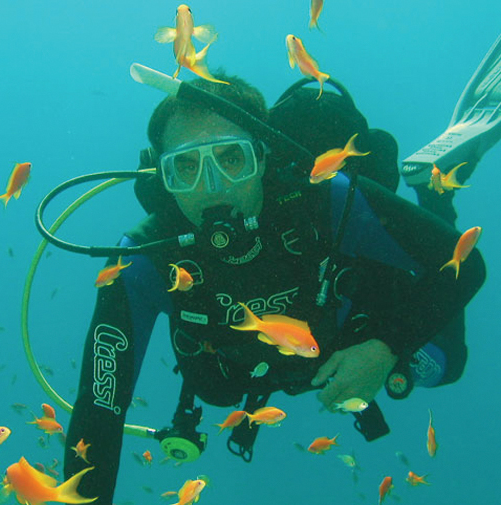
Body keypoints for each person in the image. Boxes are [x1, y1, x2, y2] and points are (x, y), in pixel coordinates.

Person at [63, 67, 489, 504]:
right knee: (216, 388)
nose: (212, 187)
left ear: (262, 156)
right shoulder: (143, 258)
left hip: (349, 333)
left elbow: (466, 264)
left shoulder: (325, 200)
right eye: (185, 167)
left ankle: (435, 194)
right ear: (163, 178)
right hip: (247, 365)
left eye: (232, 158)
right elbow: (100, 408)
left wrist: (385, 346)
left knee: (443, 365)